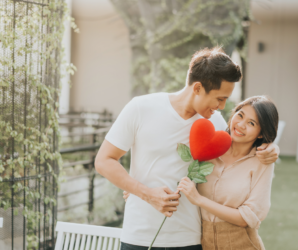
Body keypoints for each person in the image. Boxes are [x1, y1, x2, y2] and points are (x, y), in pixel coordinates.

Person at [94, 47, 279, 250]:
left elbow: (244, 145)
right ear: (198, 88)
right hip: (138, 235)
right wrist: (145, 193)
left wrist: (271, 148)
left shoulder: (216, 123)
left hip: (189, 239)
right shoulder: (140, 108)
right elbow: (104, 161)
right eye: (220, 98)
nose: (223, 107)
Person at [177, 96, 278, 250]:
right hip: (204, 243)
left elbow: (247, 218)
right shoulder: (210, 150)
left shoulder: (262, 163)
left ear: (260, 133)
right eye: (240, 115)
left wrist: (199, 200)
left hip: (243, 243)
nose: (241, 125)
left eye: (251, 123)